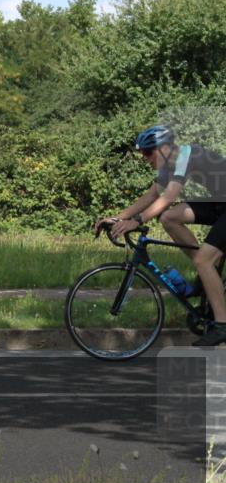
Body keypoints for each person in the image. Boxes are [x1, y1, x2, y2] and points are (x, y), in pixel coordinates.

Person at [94, 125, 226, 347]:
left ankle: (222, 325)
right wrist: (117, 218)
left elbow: (168, 196)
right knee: (169, 218)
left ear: (164, 148)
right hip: (219, 204)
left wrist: (136, 221)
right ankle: (205, 275)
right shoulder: (171, 162)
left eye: (148, 152)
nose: (145, 158)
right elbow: (153, 194)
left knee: (204, 259)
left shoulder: (186, 155)